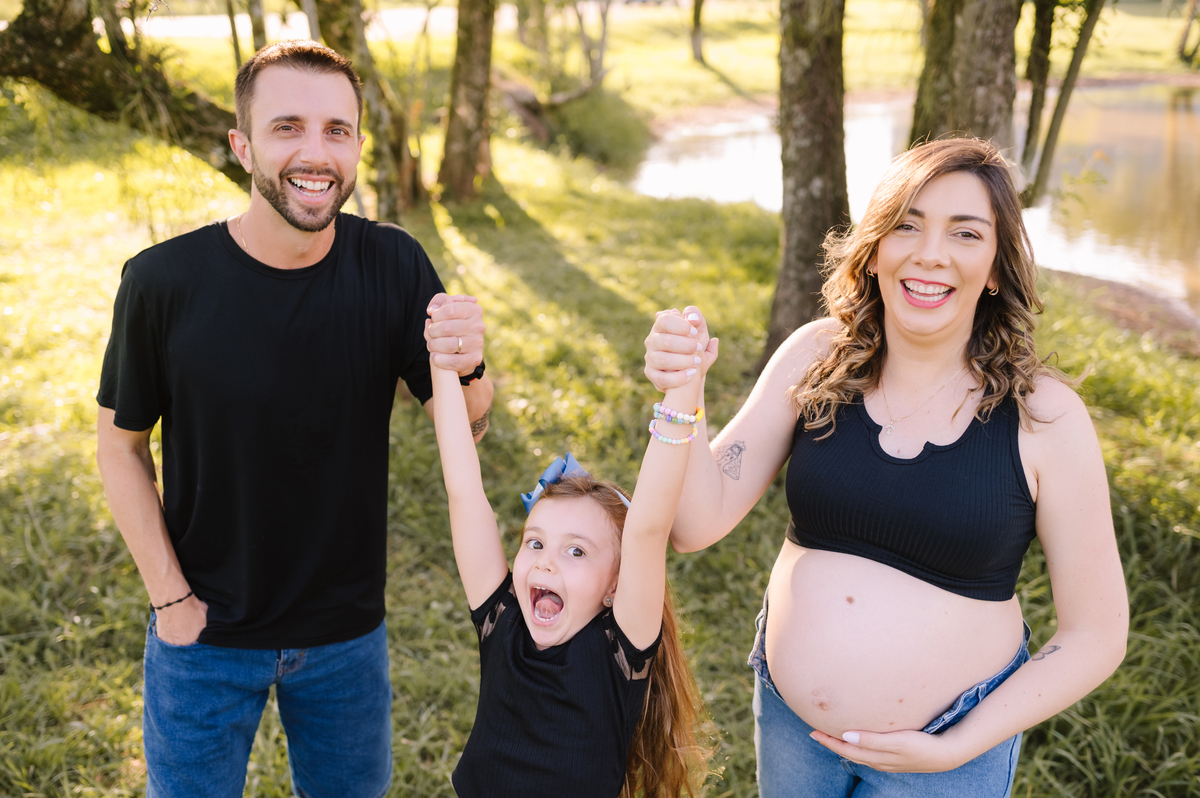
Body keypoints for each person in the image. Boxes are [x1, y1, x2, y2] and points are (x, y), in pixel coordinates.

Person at [643, 138, 1128, 796]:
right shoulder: (818, 356)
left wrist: (958, 744)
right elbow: (695, 523)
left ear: (993, 267)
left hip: (944, 763)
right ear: (874, 251)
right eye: (907, 224)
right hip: (794, 730)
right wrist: (685, 391)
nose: (930, 253)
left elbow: (1097, 634)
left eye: (965, 233)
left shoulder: (1045, 417)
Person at [95, 41, 494, 798]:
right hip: (203, 635)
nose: (316, 153)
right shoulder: (161, 283)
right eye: (288, 128)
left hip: (346, 636)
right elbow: (120, 446)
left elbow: (465, 425)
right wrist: (171, 600)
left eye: (336, 130)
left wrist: (467, 364)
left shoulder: (394, 265)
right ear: (242, 145)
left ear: (357, 146)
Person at [428, 304, 716, 797]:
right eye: (535, 542)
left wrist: (684, 386)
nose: (545, 560)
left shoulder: (618, 653)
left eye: (577, 552)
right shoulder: (503, 623)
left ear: (614, 586)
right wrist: (440, 362)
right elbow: (463, 488)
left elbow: (647, 528)